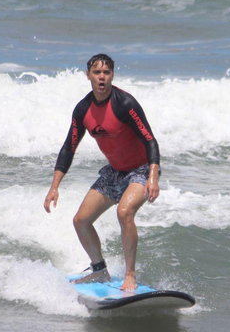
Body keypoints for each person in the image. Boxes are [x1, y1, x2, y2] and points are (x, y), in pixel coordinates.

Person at [44, 54, 160, 292]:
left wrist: (152, 177)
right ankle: (100, 271)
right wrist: (54, 187)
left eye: (106, 72)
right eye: (97, 73)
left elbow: (149, 139)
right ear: (88, 75)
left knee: (124, 212)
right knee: (80, 221)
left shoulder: (125, 104)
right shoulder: (83, 109)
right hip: (114, 172)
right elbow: (69, 147)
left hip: (140, 170)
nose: (102, 77)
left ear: (112, 75)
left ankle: (130, 275)